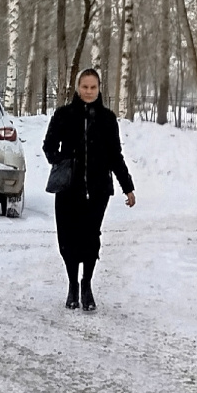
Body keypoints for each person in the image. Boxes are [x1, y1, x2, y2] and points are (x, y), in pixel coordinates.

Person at [42, 68, 136, 311]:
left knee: (90, 239)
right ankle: (72, 284)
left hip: (97, 189)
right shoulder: (64, 115)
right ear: (77, 87)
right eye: (85, 87)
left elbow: (116, 155)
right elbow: (49, 146)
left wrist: (127, 187)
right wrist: (63, 159)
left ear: (99, 88)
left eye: (93, 87)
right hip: (68, 188)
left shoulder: (107, 118)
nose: (89, 91)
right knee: (67, 240)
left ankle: (87, 285)